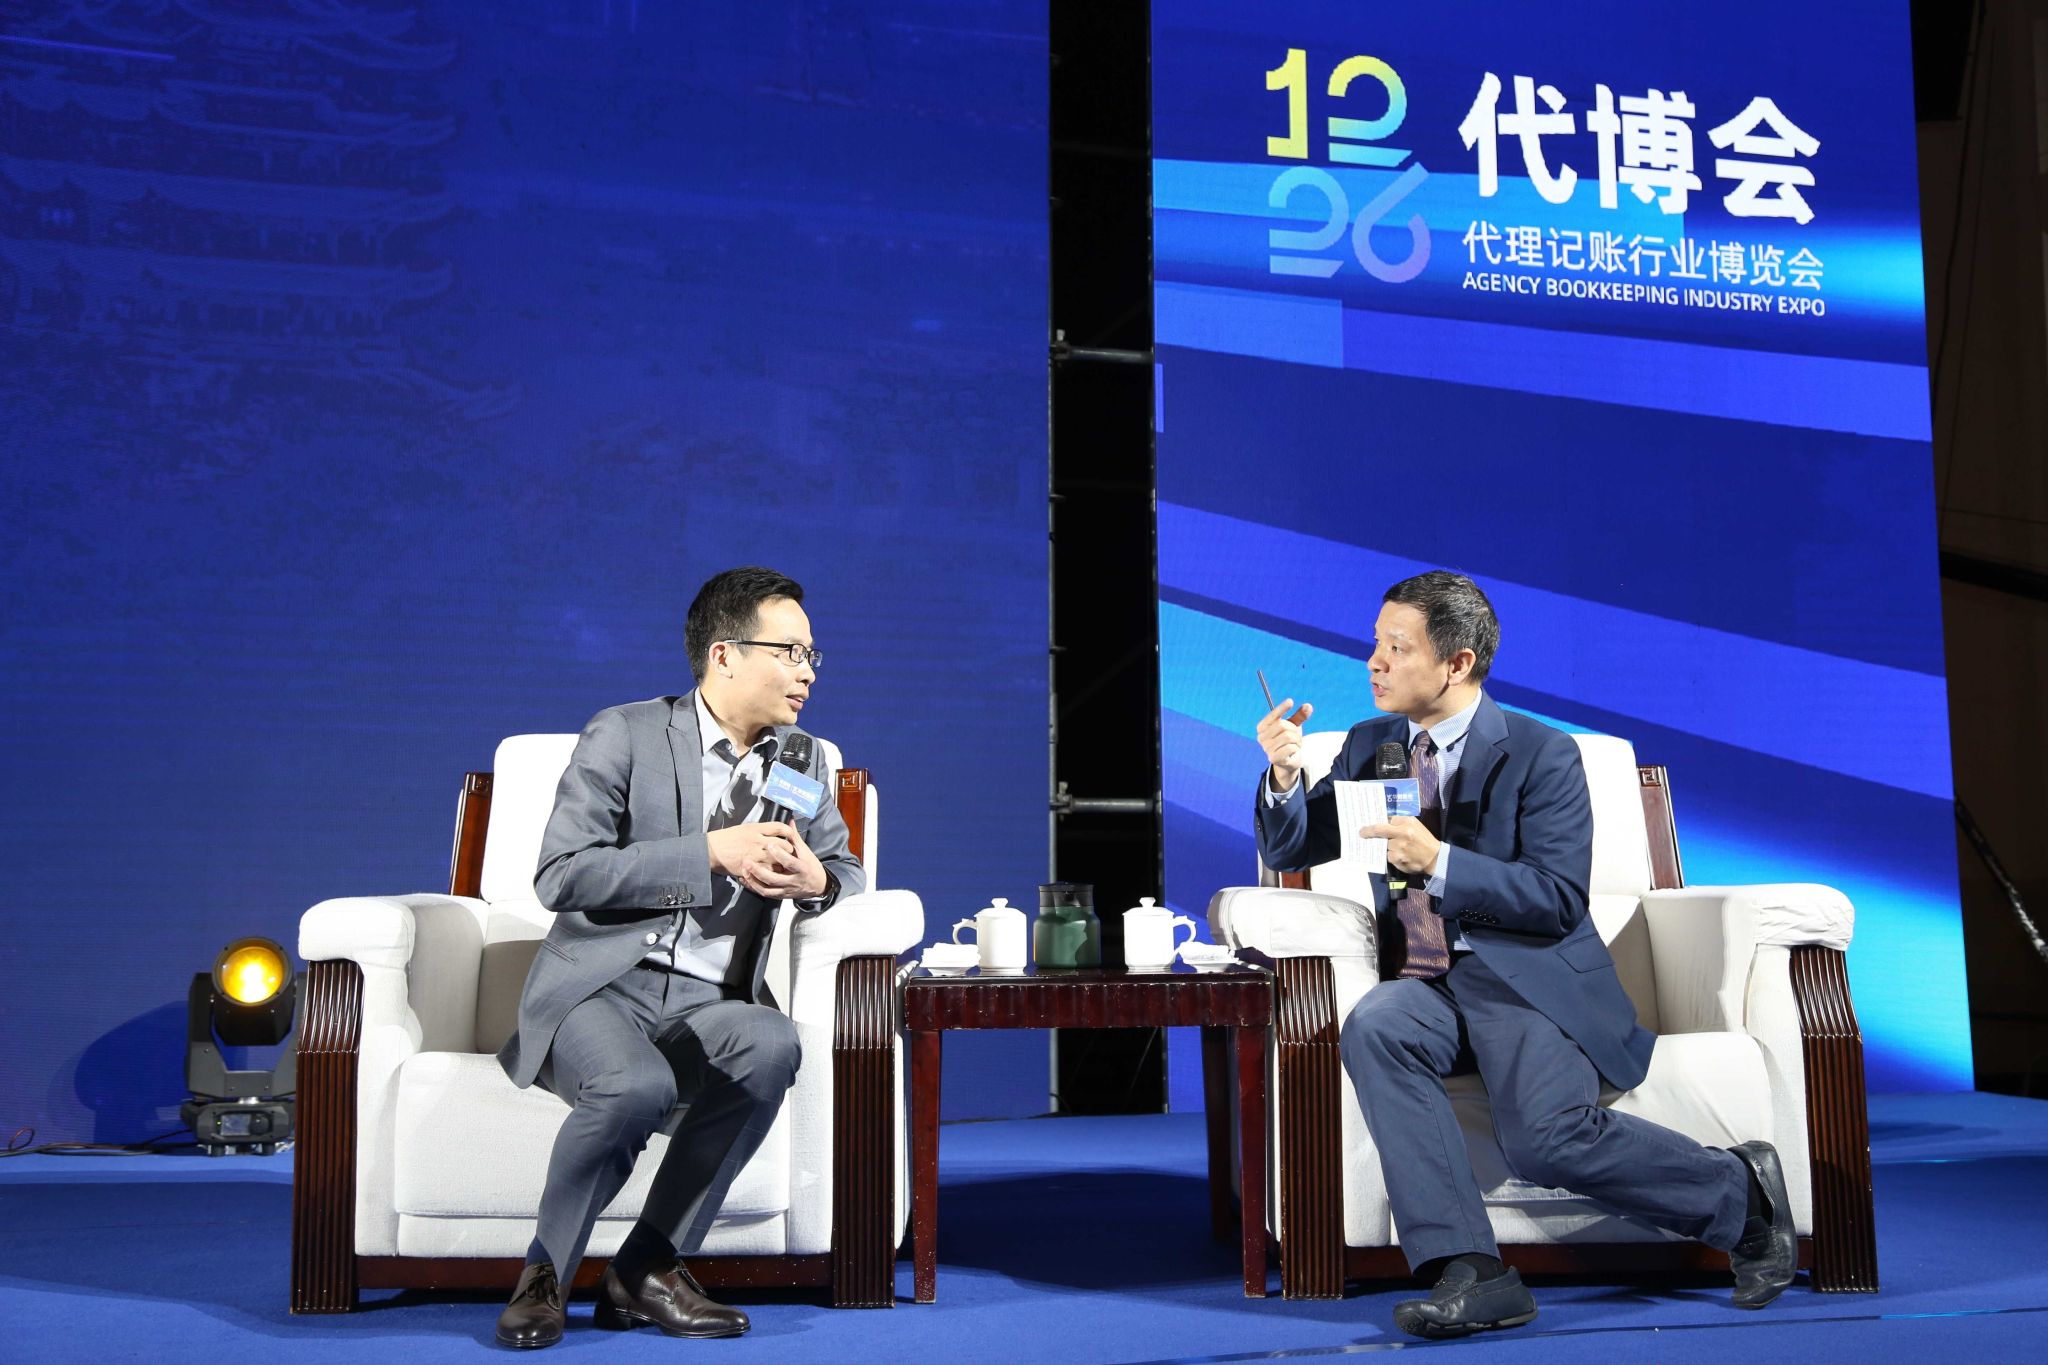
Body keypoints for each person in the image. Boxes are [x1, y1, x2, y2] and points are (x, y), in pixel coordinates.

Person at [1252, 570, 1795, 1340]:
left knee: (1545, 1140)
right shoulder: (1371, 745)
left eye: (1397, 646)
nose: (1374, 660)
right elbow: (1294, 844)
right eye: (1376, 642)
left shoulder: (1543, 753)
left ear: (1458, 662)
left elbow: (1557, 898)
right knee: (1376, 1023)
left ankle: (1737, 1190)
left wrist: (1441, 862)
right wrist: (1283, 777)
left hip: (1527, 982)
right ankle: (1474, 1271)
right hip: (1429, 981)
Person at [493, 566, 864, 1349]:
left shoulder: (801, 760)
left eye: (813, 655)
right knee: (636, 1084)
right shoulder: (625, 733)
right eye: (791, 652)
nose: (808, 672)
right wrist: (709, 852)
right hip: (603, 986)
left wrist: (819, 880)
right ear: (725, 654)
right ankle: (544, 1273)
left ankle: (646, 1268)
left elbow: (845, 871)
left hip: (713, 1000)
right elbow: (562, 874)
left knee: (772, 1042)